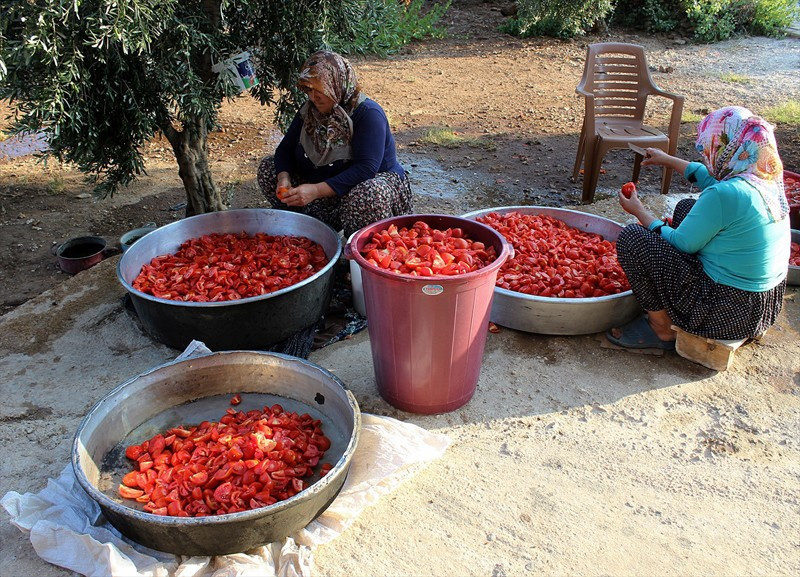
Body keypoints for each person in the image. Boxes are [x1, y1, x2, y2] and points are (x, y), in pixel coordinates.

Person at [607, 106, 790, 350]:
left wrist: (639, 211)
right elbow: (710, 178)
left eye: (708, 148)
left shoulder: (726, 194)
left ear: (723, 148)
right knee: (685, 207)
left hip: (724, 312)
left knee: (634, 238)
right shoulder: (764, 177)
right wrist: (666, 159)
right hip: (760, 308)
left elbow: (683, 243)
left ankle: (661, 329)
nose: (706, 154)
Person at [257, 50, 413, 239]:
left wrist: (315, 190)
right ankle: (306, 235)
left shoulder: (368, 113)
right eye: (309, 90)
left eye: (320, 90)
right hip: (324, 188)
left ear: (337, 83)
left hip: (363, 190)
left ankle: (356, 250)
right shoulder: (310, 112)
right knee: (269, 168)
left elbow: (366, 168)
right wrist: (284, 179)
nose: (314, 97)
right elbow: (285, 149)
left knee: (369, 194)